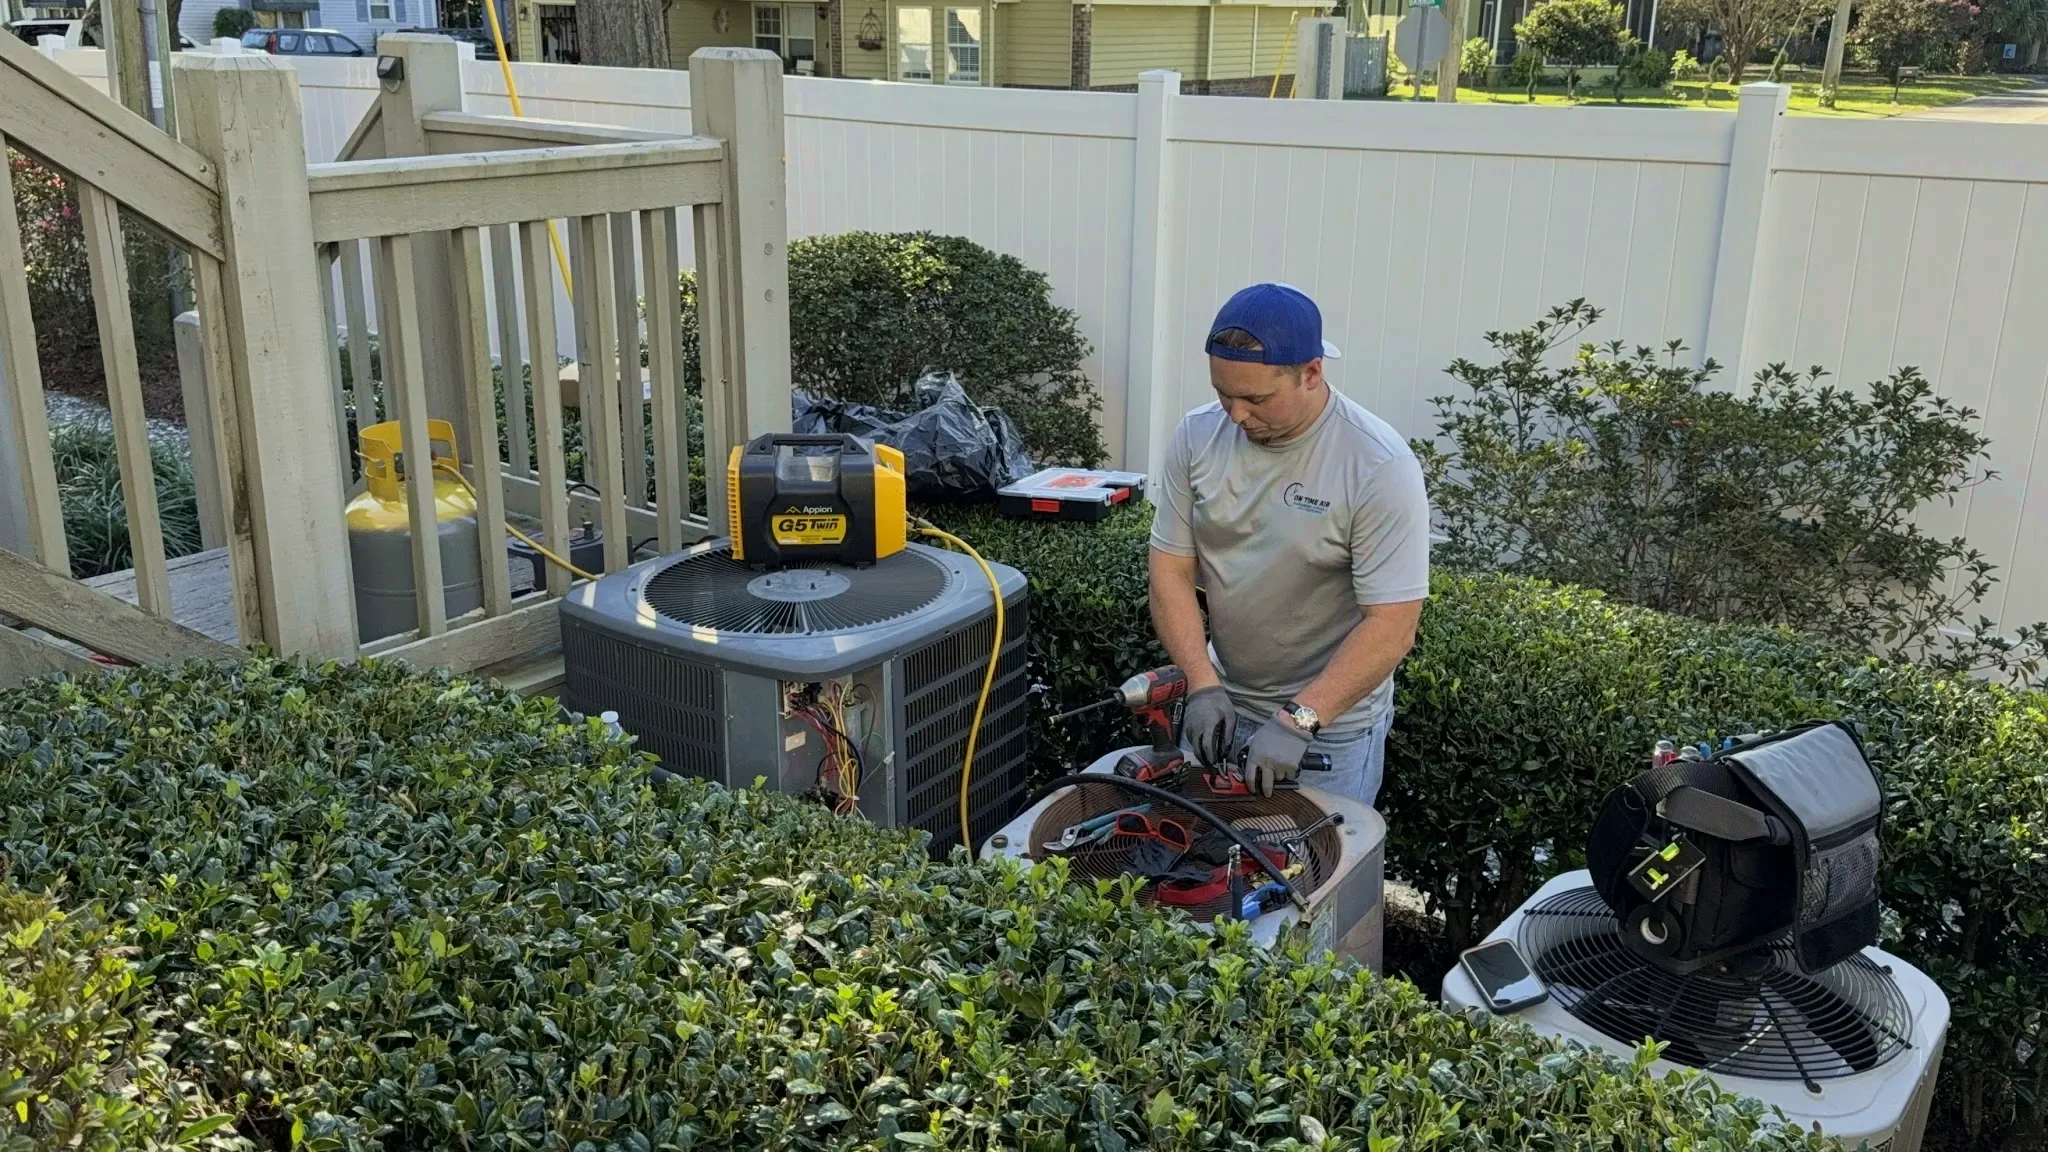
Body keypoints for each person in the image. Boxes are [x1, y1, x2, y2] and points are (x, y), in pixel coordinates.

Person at [1148, 282, 1430, 804]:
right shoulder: (1196, 435)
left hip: (1330, 728)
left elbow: (1392, 626)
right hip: (1220, 702)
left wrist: (1301, 719)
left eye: (1256, 399)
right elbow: (1170, 570)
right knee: (1196, 847)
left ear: (1312, 373)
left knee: (1308, 857)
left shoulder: (1377, 465)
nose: (1236, 415)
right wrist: (1201, 682)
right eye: (1223, 394)